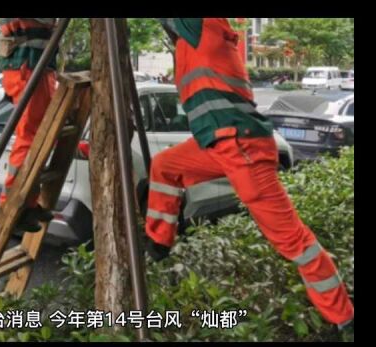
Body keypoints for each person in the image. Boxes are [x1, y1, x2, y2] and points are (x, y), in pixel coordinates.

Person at [146, 18, 354, 330]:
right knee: (165, 165)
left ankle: (345, 317)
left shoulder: (203, 28)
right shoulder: (193, 41)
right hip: (218, 143)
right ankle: (158, 241)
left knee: (294, 241)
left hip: (243, 148)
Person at [0, 18, 58, 233]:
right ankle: (13, 202)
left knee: (43, 135)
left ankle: (29, 202)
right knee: (30, 136)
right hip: (27, 68)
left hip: (38, 67)